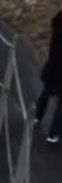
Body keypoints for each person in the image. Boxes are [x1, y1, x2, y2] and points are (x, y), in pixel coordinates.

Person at [38, 11, 62, 145]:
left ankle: (36, 117)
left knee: (46, 92)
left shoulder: (58, 20)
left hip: (53, 65)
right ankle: (53, 134)